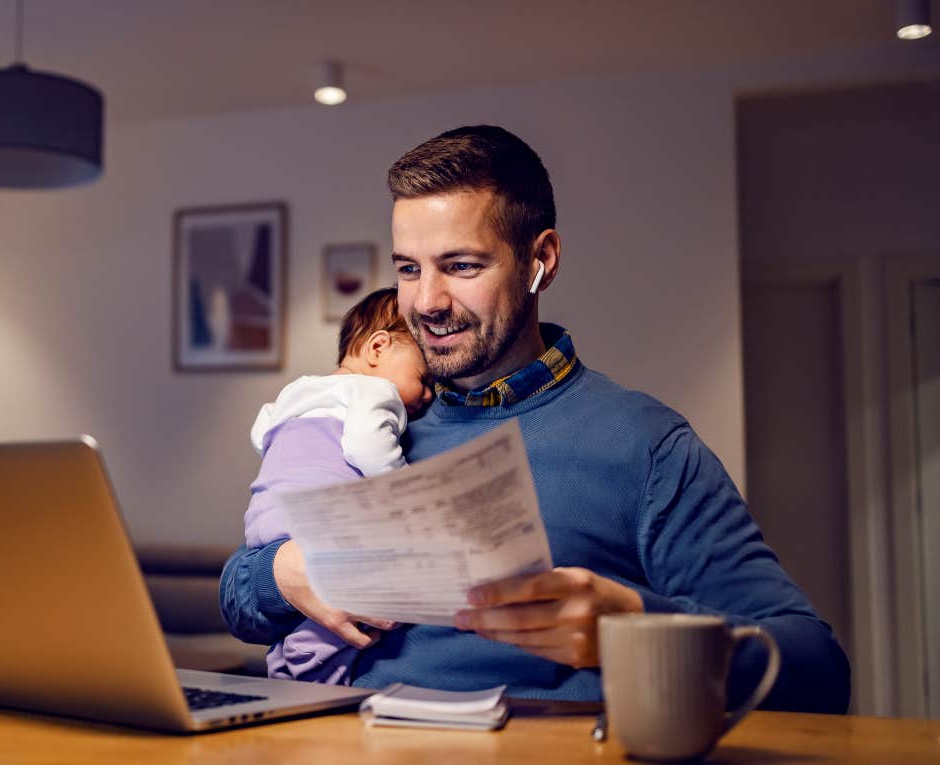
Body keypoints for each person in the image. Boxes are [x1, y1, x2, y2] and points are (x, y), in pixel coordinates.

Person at [219, 125, 851, 713]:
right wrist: (277, 574)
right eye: (409, 269)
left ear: (540, 259)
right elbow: (241, 604)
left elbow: (817, 670)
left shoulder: (644, 445)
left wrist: (628, 627)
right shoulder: (378, 417)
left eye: (461, 266)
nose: (426, 302)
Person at [246, 287, 432, 684]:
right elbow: (367, 447)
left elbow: (262, 431)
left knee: (306, 601)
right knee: (396, 587)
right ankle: (313, 651)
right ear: (378, 348)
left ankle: (283, 660)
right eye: (424, 378)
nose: (429, 395)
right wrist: (404, 488)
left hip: (266, 518)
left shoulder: (296, 390)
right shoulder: (376, 392)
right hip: (323, 517)